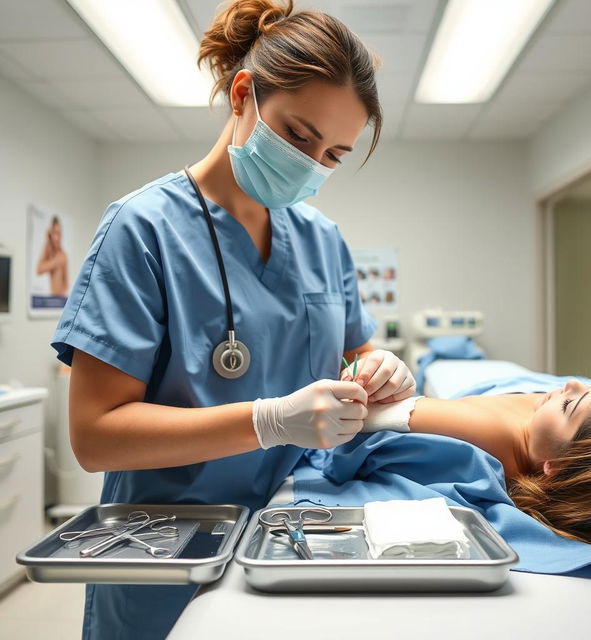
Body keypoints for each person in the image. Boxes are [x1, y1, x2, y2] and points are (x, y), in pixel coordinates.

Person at [51, 1, 415, 637]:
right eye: (299, 136)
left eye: (333, 154)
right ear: (244, 94)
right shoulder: (143, 231)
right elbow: (94, 435)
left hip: (290, 534)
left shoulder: (323, 239)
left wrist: (376, 369)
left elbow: (349, 355)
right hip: (165, 547)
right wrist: (268, 421)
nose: (311, 163)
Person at [363, 378, 591, 548]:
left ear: (552, 467)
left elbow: (363, 413)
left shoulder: (488, 431)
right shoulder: (587, 422)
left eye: (569, 405)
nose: (571, 385)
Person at [36, 216, 68, 296]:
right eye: (55, 233)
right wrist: (55, 262)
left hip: (58, 301)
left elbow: (66, 283)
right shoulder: (48, 250)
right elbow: (39, 269)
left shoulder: (63, 255)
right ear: (51, 234)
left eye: (59, 234)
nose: (57, 238)